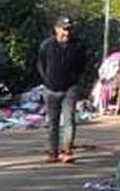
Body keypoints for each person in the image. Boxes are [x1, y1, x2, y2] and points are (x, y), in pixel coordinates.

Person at [36, 17, 89, 163]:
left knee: (69, 121)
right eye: (64, 29)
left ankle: (67, 150)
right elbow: (41, 64)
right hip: (50, 89)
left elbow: (83, 65)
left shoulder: (78, 46)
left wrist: (76, 81)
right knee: (52, 122)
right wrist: (46, 80)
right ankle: (52, 151)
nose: (67, 32)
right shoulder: (46, 45)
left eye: (69, 29)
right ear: (57, 29)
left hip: (70, 88)